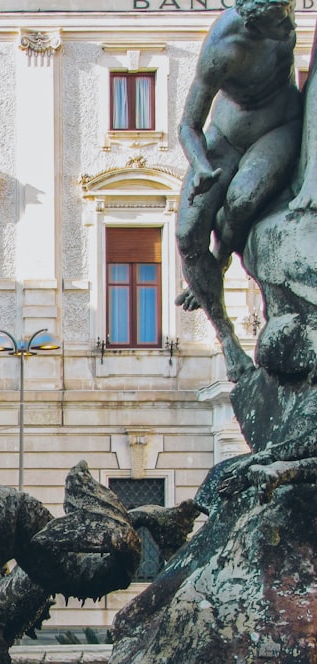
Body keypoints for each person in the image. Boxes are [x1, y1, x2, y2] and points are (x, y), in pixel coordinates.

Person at [175, 0, 301, 381]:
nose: (288, 26)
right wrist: (200, 168)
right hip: (226, 137)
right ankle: (227, 339)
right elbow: (188, 126)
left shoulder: (279, 12)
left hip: (279, 126)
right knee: (186, 233)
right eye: (277, 21)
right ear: (251, 23)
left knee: (243, 199)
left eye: (287, 13)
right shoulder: (222, 49)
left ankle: (223, 254)